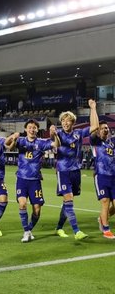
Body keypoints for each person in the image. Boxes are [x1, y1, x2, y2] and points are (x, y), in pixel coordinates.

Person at [52, 99, 98, 240]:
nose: (65, 123)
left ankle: (59, 227)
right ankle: (76, 231)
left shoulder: (78, 133)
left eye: (68, 120)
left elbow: (95, 126)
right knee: (69, 199)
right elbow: (55, 145)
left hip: (76, 171)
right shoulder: (58, 133)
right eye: (63, 120)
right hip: (63, 171)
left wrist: (93, 108)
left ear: (73, 122)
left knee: (67, 202)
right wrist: (53, 133)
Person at [9, 120, 60, 242]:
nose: (32, 130)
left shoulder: (41, 143)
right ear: (26, 129)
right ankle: (26, 231)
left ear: (37, 130)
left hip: (35, 181)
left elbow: (56, 145)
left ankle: (29, 229)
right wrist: (14, 138)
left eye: (34, 128)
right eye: (30, 127)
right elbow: (10, 148)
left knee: (37, 210)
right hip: (22, 179)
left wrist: (55, 134)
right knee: (22, 204)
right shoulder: (21, 140)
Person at [89, 120, 115, 239]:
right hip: (101, 175)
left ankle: (102, 218)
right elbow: (93, 131)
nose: (105, 129)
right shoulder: (96, 142)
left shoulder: (112, 143)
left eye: (107, 128)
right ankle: (106, 229)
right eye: (103, 128)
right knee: (105, 202)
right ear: (98, 131)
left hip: (113, 177)